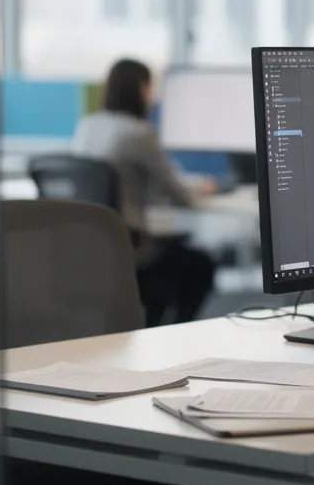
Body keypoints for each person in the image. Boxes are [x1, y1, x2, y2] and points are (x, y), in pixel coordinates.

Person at [72, 57, 218, 327]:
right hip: (132, 251)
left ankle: (152, 327)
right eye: (151, 87)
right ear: (141, 88)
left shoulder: (88, 125)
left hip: (88, 248)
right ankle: (171, 332)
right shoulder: (140, 132)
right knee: (201, 265)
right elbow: (181, 196)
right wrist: (204, 187)